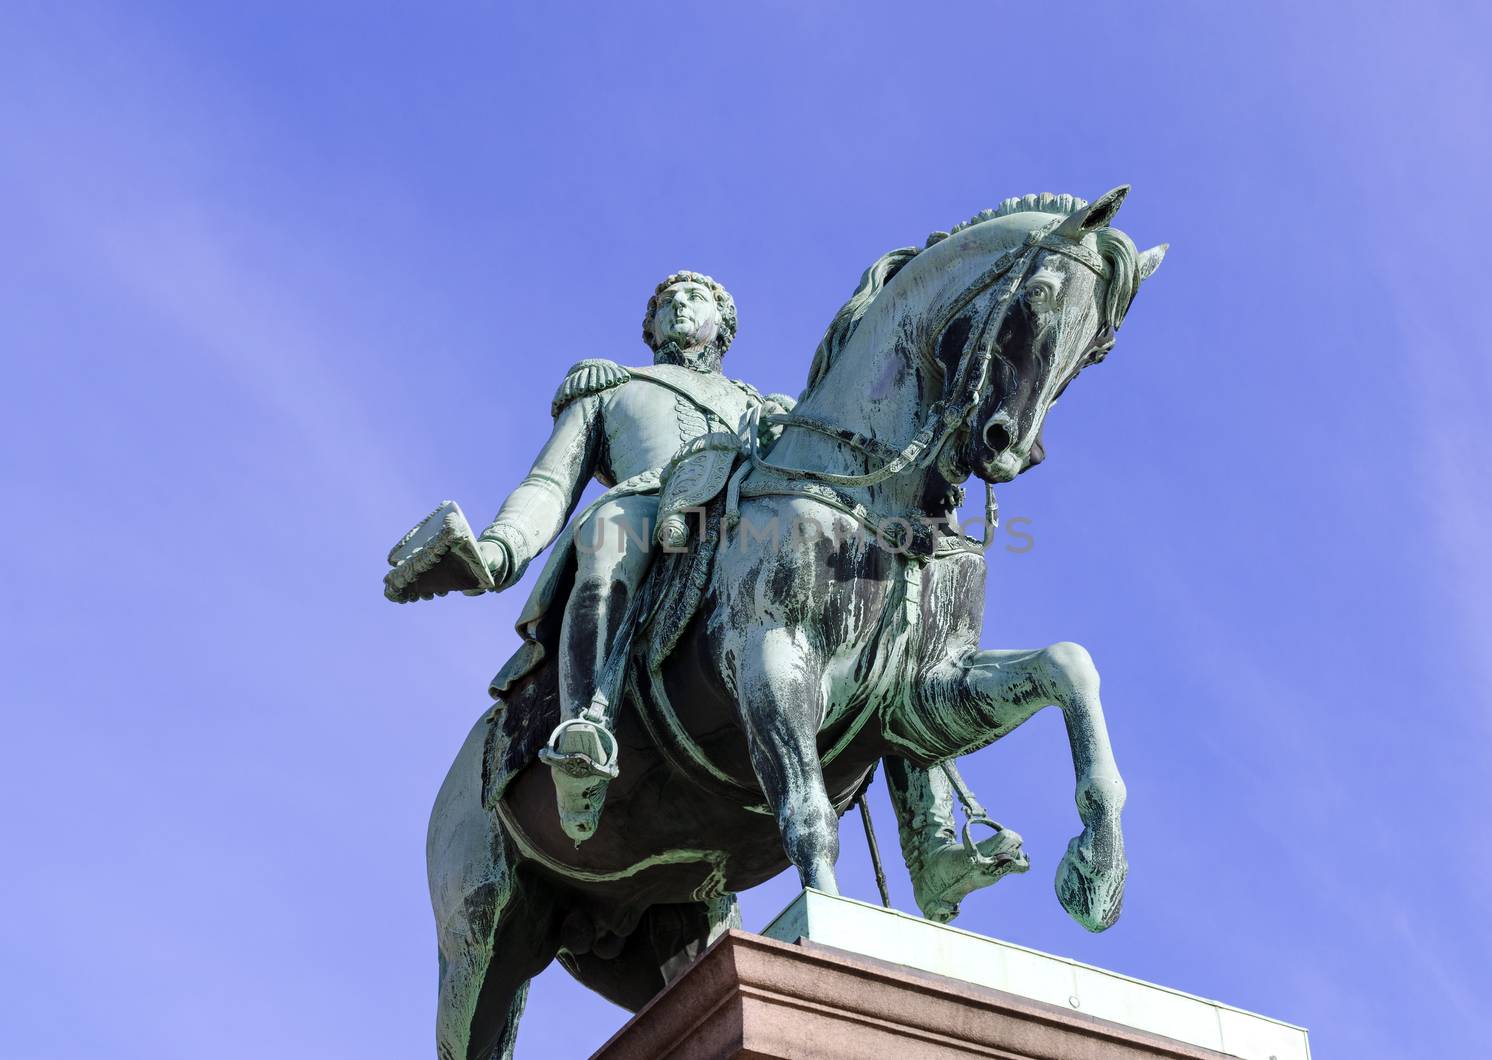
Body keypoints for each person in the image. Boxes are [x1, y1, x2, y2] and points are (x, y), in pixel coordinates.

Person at [386, 271, 1022, 918]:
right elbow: (549, 486)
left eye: (695, 298)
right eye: (664, 303)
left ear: (725, 322)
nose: (678, 306)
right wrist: (496, 552)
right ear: (651, 329)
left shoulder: (763, 408)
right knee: (605, 536)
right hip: (651, 505)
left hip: (748, 525)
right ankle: (589, 728)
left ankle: (933, 838)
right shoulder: (613, 388)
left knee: (878, 598)